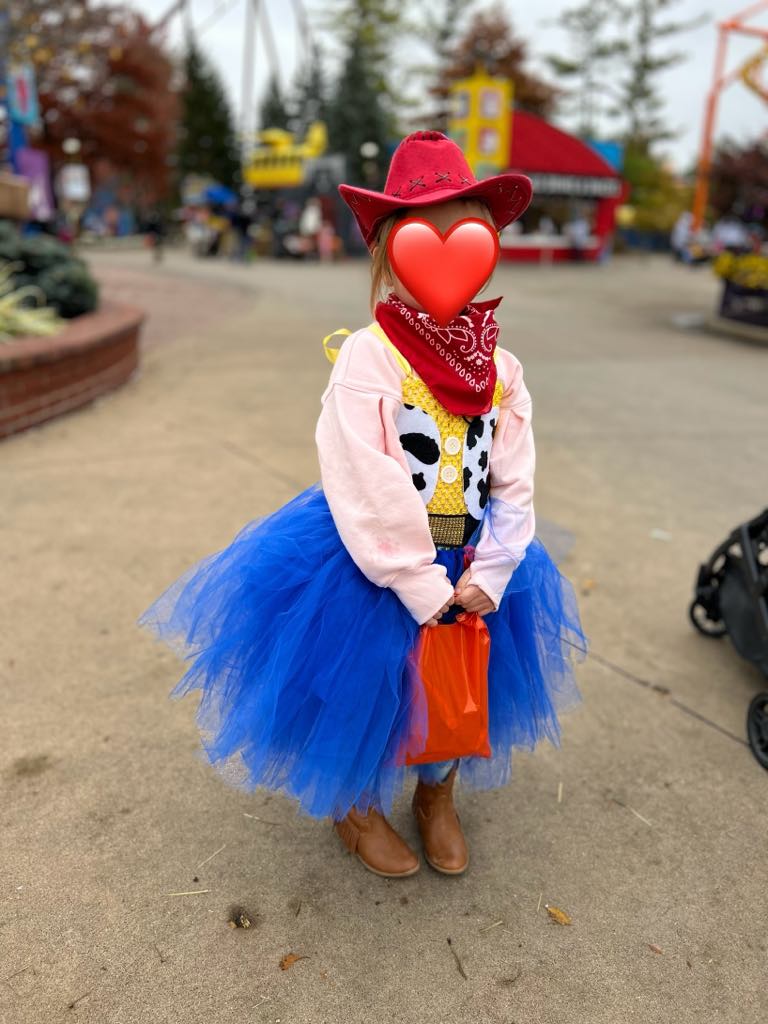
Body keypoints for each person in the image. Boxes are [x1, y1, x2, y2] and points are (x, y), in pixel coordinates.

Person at [138, 130, 586, 879]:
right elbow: (364, 477)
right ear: (387, 255)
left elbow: (515, 475)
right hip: (375, 561)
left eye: (464, 235)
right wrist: (417, 579)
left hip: (477, 556)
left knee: (461, 687)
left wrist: (499, 566)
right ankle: (354, 804)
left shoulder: (502, 369)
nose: (445, 256)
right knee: (366, 690)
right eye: (422, 239)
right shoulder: (369, 357)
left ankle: (436, 795)